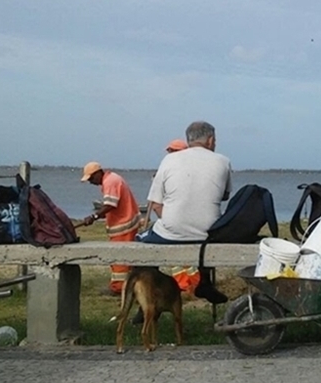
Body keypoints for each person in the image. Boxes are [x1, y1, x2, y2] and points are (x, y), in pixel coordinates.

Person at [142, 121, 233, 304]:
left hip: (171, 233)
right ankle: (205, 282)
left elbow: (156, 202)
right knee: (210, 228)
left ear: (188, 140)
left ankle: (149, 291)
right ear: (210, 140)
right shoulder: (223, 161)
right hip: (208, 234)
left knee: (141, 243)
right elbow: (224, 196)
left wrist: (174, 220)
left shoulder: (168, 160)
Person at [79, 162, 142, 295]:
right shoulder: (112, 179)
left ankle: (119, 288)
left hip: (124, 224)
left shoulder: (110, 181)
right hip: (125, 222)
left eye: (91, 179)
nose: (91, 182)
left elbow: (110, 205)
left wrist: (94, 216)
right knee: (125, 258)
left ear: (98, 173)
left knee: (120, 258)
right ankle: (129, 286)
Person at [156, 138, 200, 293]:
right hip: (189, 222)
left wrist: (166, 221)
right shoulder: (195, 168)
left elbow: (156, 202)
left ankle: (187, 283)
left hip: (178, 223)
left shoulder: (170, 168)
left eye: (171, 151)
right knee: (184, 257)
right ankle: (189, 283)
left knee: (181, 256)